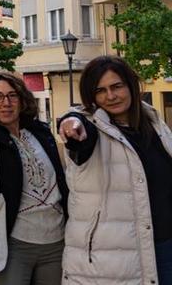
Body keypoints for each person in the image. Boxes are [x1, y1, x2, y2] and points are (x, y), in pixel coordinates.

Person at [57, 55, 172, 285]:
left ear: (130, 85)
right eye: (100, 91)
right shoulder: (91, 129)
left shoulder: (155, 124)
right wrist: (71, 126)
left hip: (165, 247)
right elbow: (78, 130)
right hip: (116, 262)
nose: (110, 96)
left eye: (116, 86)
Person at [0, 72, 67, 285]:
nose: (5, 103)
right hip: (13, 245)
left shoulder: (41, 133)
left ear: (22, 99)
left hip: (56, 241)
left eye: (12, 95)